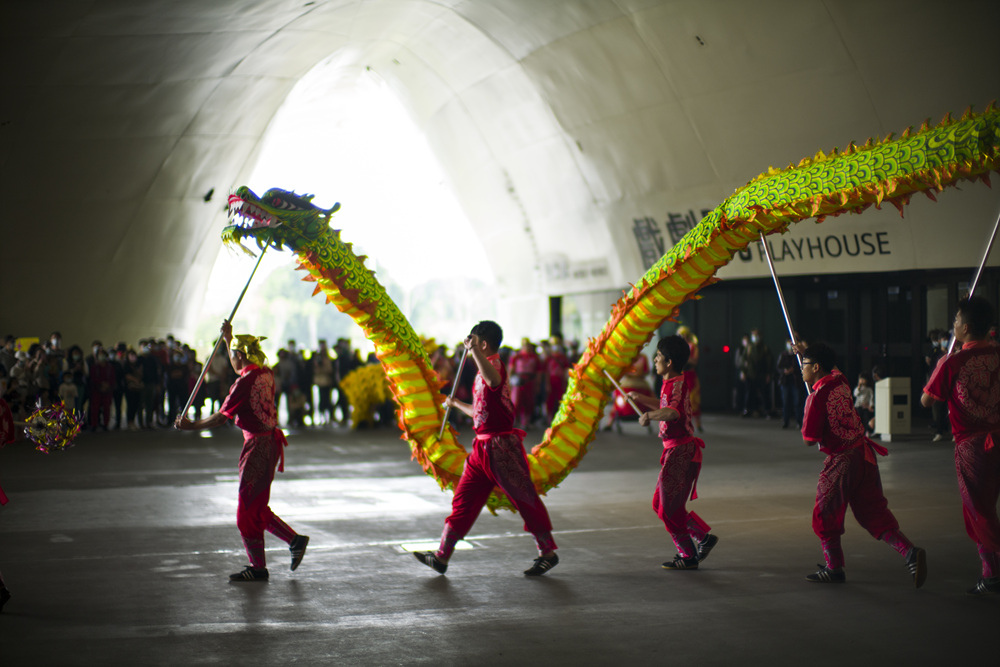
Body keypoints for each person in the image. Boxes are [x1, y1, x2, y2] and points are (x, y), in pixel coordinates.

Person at [413, 321, 559, 576]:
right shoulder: (482, 371)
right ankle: (441, 556)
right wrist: (456, 403)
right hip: (481, 448)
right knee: (463, 501)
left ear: (482, 344)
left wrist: (474, 353)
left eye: (474, 343)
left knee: (524, 498)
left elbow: (493, 381)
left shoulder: (494, 365)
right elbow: (480, 413)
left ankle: (547, 552)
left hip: (502, 449)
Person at [175, 321, 309, 582]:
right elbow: (242, 369)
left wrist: (192, 425)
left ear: (239, 356)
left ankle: (258, 567)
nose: (230, 359)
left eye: (232, 354)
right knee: (256, 506)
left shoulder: (243, 384)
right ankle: (293, 541)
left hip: (258, 447)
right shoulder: (265, 373)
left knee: (246, 509)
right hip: (268, 444)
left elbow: (219, 418)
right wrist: (229, 339)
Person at [797, 342, 926, 587]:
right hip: (863, 455)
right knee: (872, 512)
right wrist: (804, 348)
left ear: (815, 367)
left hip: (842, 460)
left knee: (825, 512)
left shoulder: (816, 397)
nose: (800, 369)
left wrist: (811, 411)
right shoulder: (841, 381)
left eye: (804, 365)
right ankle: (909, 552)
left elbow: (808, 440)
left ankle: (834, 568)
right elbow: (831, 366)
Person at [921, 296, 1000, 595]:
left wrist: (940, 366)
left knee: (978, 510)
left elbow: (928, 400)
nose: (952, 325)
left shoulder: (953, 362)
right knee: (987, 509)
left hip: (973, 446)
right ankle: (991, 571)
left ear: (965, 328)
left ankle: (992, 573)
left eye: (955, 321)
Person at [628, 335, 718, 570]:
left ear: (668, 362)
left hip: (680, 450)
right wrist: (642, 399)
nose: (655, 360)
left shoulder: (676, 383)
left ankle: (688, 555)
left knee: (667, 507)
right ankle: (703, 538)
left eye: (658, 356)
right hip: (675, 450)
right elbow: (664, 404)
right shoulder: (672, 383)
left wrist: (648, 416)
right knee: (661, 504)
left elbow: (673, 412)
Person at [509, 338, 541, 430]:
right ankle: (514, 421)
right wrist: (509, 383)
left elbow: (538, 372)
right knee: (516, 402)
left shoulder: (534, 357)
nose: (526, 347)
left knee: (528, 402)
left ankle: (525, 422)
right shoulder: (516, 357)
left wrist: (537, 384)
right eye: (524, 345)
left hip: (530, 381)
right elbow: (511, 370)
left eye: (528, 345)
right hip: (518, 382)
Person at [776, 336, 805, 429]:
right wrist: (784, 371)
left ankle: (799, 422)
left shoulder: (798, 355)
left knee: (798, 402)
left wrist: (793, 370)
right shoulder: (783, 355)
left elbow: (802, 366)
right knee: (786, 402)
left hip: (795, 381)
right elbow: (778, 367)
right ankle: (785, 421)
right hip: (785, 382)